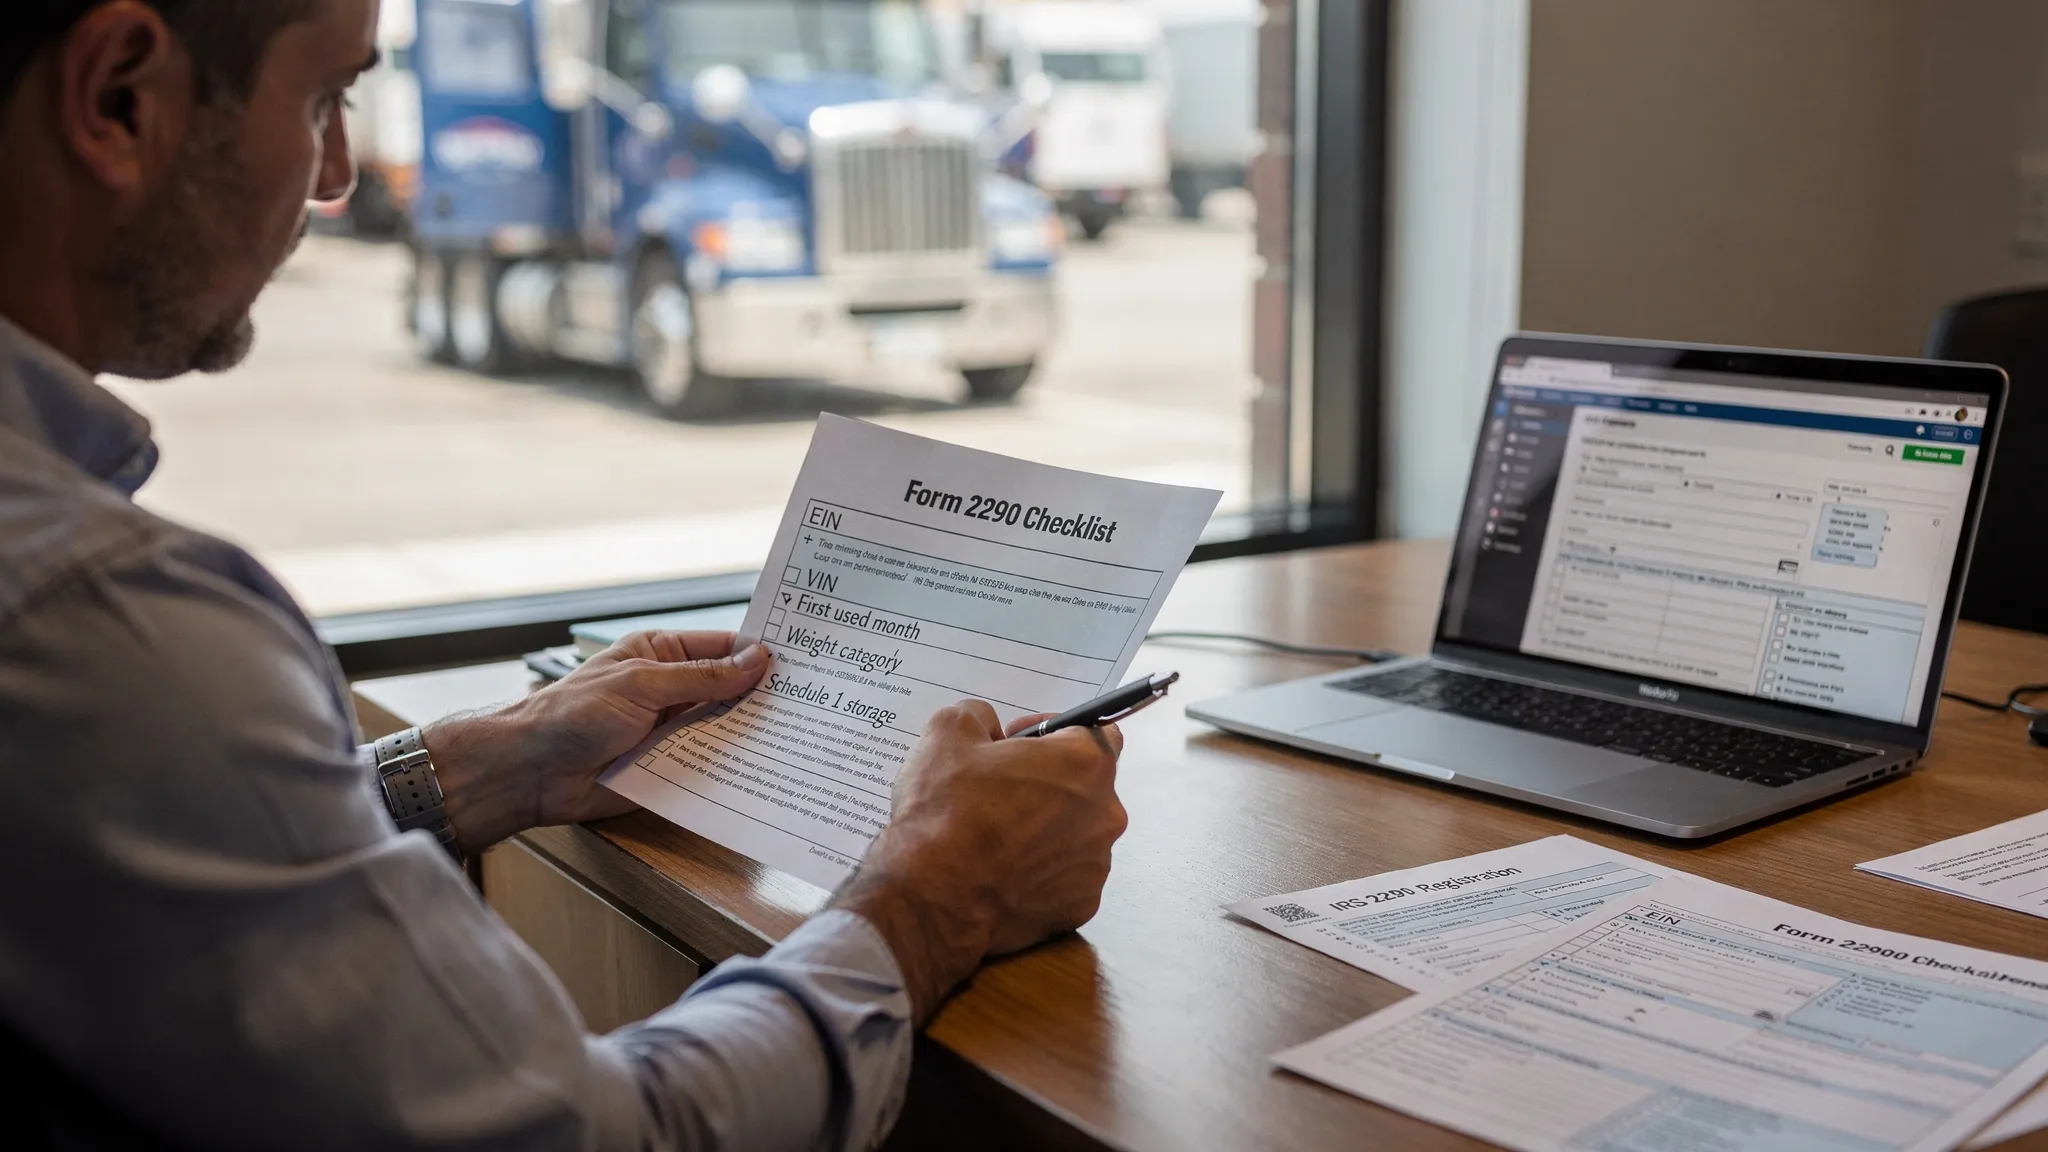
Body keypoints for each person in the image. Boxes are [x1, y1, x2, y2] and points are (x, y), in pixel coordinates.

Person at [0, 1, 1130, 1148]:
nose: (338, 175)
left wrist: (472, 769)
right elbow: (599, 1136)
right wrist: (940, 893)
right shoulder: (104, 621)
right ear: (118, 100)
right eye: (324, 99)